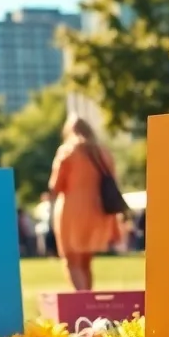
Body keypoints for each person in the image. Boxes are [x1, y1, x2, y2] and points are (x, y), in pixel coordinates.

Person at [47, 116, 122, 291]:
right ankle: (89, 300)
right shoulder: (103, 152)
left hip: (72, 212)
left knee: (71, 261)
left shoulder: (68, 151)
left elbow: (55, 185)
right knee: (86, 262)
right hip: (98, 212)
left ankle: (82, 301)